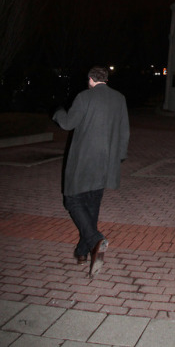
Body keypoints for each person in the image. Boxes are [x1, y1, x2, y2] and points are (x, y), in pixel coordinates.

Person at [53, 66, 130, 278]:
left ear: (90, 79)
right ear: (105, 79)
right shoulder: (119, 98)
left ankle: (95, 240)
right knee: (92, 207)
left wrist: (59, 111)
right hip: (105, 163)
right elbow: (124, 130)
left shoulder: (84, 97)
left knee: (72, 201)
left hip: (84, 162)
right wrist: (119, 156)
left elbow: (68, 123)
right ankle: (82, 252)